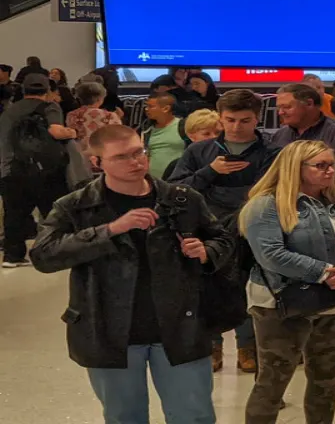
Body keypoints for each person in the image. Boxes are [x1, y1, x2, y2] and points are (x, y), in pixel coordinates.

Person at [30, 124, 233, 424]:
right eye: (121, 157)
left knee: (194, 416)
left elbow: (223, 239)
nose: (136, 162)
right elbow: (43, 255)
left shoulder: (182, 199)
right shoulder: (76, 205)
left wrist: (206, 251)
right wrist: (110, 230)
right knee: (124, 417)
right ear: (97, 162)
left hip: (181, 327)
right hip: (108, 331)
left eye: (139, 152)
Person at [239, 140, 335, 423]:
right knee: (272, 382)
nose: (330, 171)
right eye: (320, 165)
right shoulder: (266, 204)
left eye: (332, 165)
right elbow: (271, 254)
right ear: (295, 167)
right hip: (281, 303)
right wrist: (328, 274)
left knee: (326, 381)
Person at [168, 88, 280, 374]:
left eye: (244, 120)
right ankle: (212, 345)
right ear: (220, 118)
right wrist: (210, 172)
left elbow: (273, 191)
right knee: (208, 289)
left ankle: (247, 346)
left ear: (257, 119)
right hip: (209, 231)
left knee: (249, 288)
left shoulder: (271, 152)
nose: (236, 127)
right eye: (230, 120)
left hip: (253, 230)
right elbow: (177, 191)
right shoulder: (199, 151)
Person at [0, 73, 77, 266]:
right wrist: (72, 132)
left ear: (23, 90)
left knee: (15, 214)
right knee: (54, 213)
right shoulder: (50, 107)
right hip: (45, 170)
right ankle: (57, 252)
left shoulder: (9, 110)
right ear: (48, 90)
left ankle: (13, 256)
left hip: (11, 169)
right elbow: (56, 131)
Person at [142, 93, 188, 181]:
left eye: (151, 106)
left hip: (179, 179)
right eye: (146, 106)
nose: (146, 109)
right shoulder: (146, 129)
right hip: (154, 180)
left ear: (166, 109)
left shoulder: (184, 126)